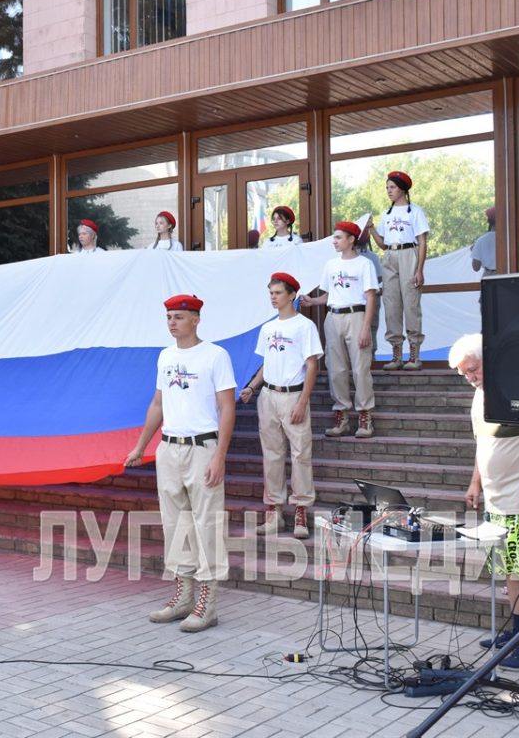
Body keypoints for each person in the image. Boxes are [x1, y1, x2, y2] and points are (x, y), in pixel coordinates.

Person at [124, 294, 236, 633]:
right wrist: (141, 445)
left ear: (196, 319)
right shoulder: (165, 356)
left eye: (179, 316)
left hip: (202, 448)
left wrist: (220, 456)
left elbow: (227, 408)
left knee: (206, 525)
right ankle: (183, 596)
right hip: (169, 449)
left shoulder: (215, 355)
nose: (172, 322)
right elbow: (158, 403)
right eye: (169, 316)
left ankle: (207, 602)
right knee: (176, 526)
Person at [449, 333, 519, 668]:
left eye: (474, 370)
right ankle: (517, 632)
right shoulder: (479, 398)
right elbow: (482, 446)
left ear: (489, 362)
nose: (471, 378)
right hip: (495, 501)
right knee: (509, 570)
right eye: (465, 374)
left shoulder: (517, 390)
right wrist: (474, 484)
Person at [239, 273, 322, 538]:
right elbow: (267, 363)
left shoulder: (304, 326)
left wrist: (303, 401)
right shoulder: (268, 328)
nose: (273, 297)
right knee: (272, 455)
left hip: (293, 395)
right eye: (271, 293)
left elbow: (312, 365)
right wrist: (253, 386)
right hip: (268, 396)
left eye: (277, 293)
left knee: (300, 454)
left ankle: (300, 512)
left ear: (291, 295)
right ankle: (274, 511)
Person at [300, 221, 379, 439]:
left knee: (360, 367)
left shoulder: (364, 264)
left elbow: (371, 296)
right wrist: (313, 301)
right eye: (334, 238)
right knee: (336, 368)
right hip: (333, 316)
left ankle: (364, 416)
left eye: (338, 237)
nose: (334, 241)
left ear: (351, 239)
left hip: (357, 315)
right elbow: (328, 295)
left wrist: (366, 328)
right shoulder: (330, 265)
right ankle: (341, 415)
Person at [367, 171, 429, 370]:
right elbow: (383, 245)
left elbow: (422, 241)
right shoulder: (387, 213)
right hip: (390, 256)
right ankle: (396, 355)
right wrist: (371, 229)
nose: (389, 191)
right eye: (387, 188)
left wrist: (419, 269)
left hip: (409, 252)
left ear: (402, 189)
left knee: (411, 304)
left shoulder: (415, 211)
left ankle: (414, 355)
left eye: (392, 187)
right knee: (391, 304)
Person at [356, 223, 384, 356]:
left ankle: (372, 358)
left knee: (371, 328)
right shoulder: (345, 257)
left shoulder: (373, 257)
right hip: (355, 300)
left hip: (370, 299)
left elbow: (379, 279)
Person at [471, 207, 497, 275]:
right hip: (507, 276)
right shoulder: (508, 239)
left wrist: (476, 251)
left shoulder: (481, 240)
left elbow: (476, 267)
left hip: (489, 279)